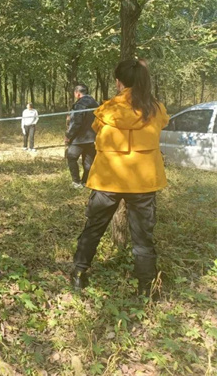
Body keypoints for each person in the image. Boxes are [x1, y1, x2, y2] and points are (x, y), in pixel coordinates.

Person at [71, 59, 169, 298]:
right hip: (143, 182)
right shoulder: (155, 109)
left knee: (93, 228)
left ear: (118, 82)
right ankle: (146, 288)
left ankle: (78, 275)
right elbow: (163, 123)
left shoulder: (106, 109)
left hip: (108, 179)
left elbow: (96, 128)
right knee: (143, 238)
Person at [65, 85, 99, 188]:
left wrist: (69, 135)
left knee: (71, 157)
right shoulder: (96, 103)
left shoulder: (79, 105)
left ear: (77, 93)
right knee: (88, 161)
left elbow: (77, 123)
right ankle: (86, 181)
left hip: (79, 138)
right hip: (92, 137)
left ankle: (76, 182)